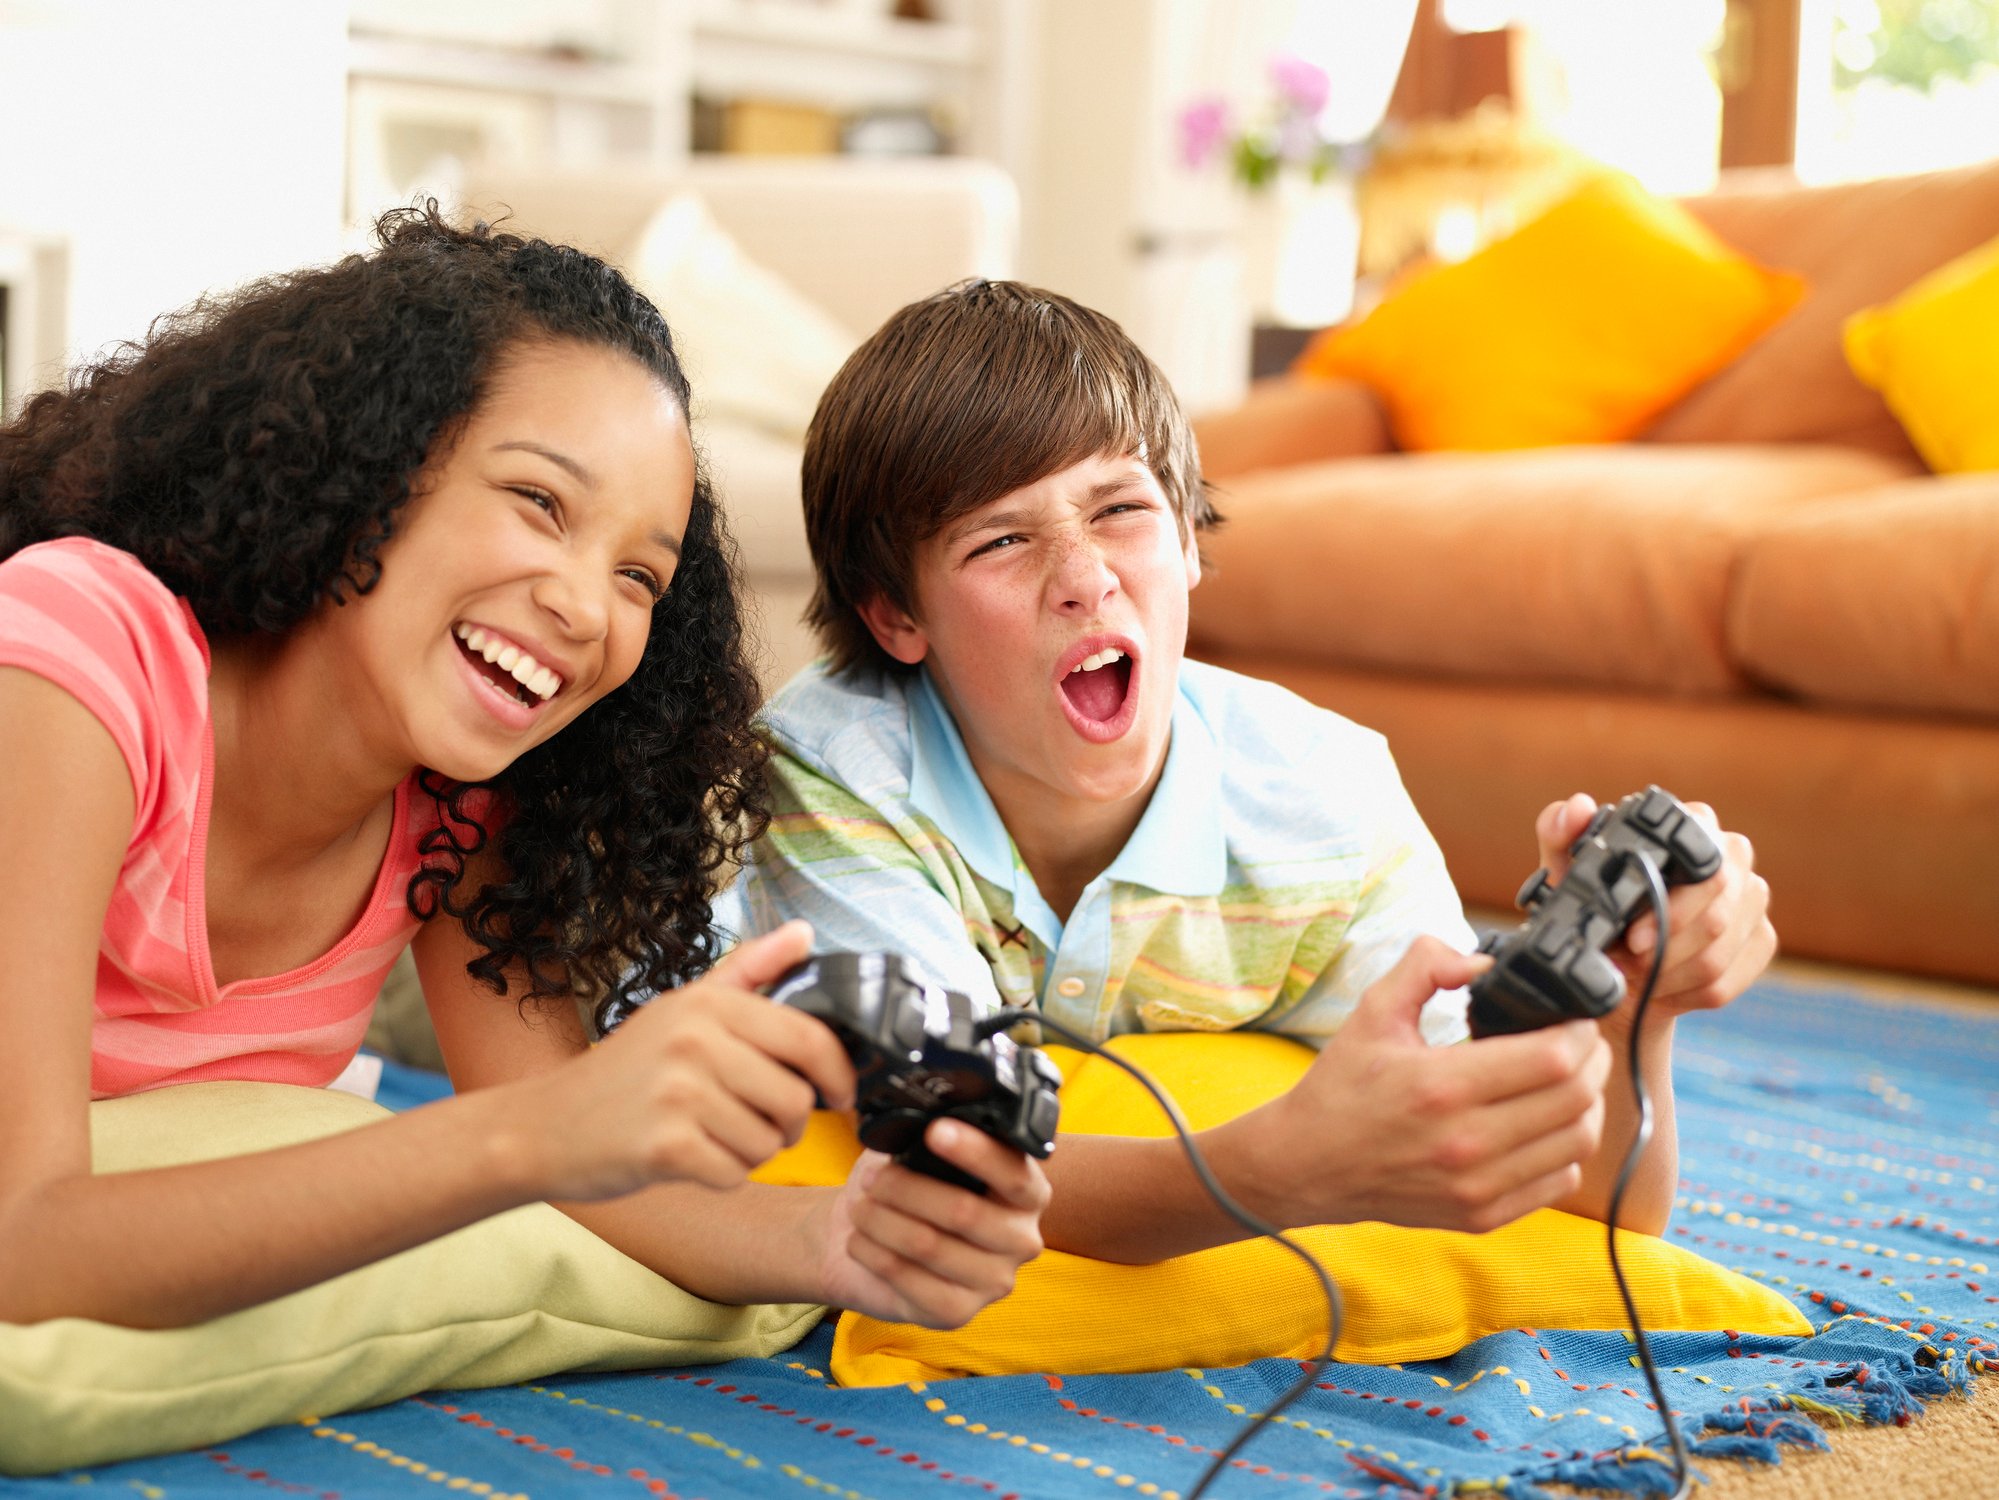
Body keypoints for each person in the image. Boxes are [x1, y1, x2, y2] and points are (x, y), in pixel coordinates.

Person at [0, 209, 1047, 1332]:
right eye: (540, 502)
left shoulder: (453, 809)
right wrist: (527, 1138)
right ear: (367, 465)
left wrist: (833, 1239)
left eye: (640, 578)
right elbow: (22, 1244)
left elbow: (570, 1142)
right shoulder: (74, 657)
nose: (584, 606)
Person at [723, 279, 1777, 1265]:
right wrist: (1281, 1171)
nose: (1085, 580)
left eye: (1120, 511)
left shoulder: (1323, 802)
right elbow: (950, 1154)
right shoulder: (834, 772)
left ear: (1187, 540)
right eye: (1000, 539)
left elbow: (1594, 1214)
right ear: (897, 615)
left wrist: (1633, 1015)